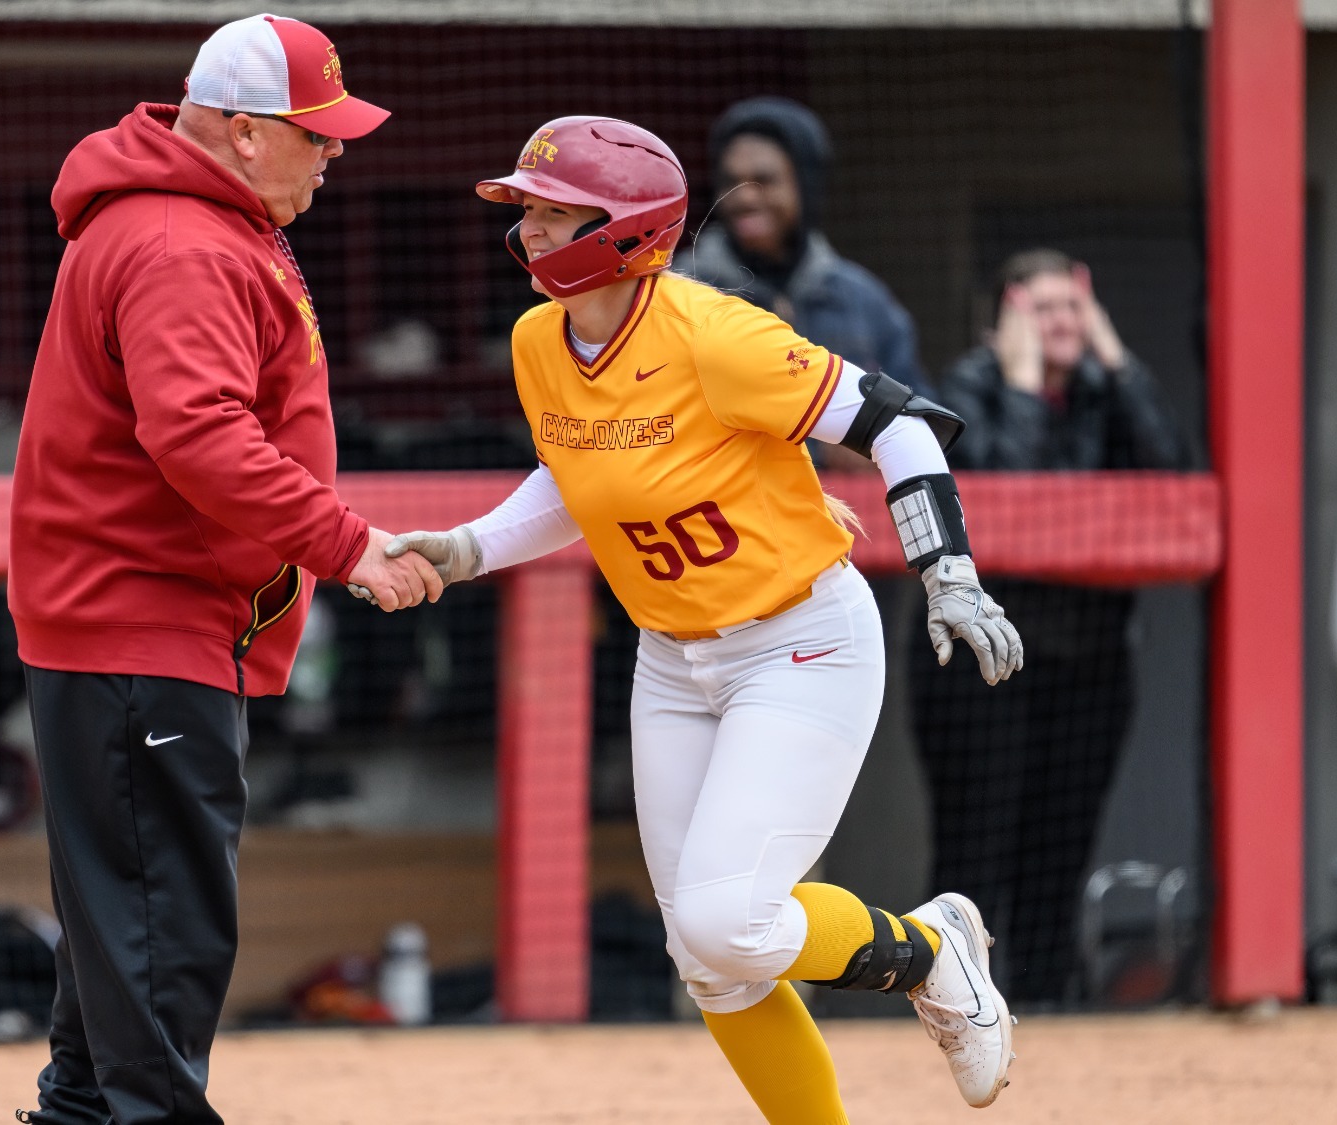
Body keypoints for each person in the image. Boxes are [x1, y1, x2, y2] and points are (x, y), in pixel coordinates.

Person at [371, 117, 1023, 1121]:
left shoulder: (715, 335)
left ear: (627, 230)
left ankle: (931, 948)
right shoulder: (538, 340)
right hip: (671, 659)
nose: (529, 228)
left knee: (727, 921)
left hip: (799, 642)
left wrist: (949, 574)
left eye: (554, 211)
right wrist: (465, 550)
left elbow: (899, 425)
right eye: (526, 208)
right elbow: (574, 474)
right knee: (710, 961)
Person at [7, 15, 440, 1125]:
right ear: (244, 132)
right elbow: (197, 435)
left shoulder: (191, 217)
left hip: (132, 629)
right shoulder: (182, 240)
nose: (333, 152)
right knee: (163, 942)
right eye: (316, 133)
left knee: (118, 953)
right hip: (143, 626)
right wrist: (347, 544)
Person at [911, 248, 1185, 1006]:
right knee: (976, 845)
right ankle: (956, 1002)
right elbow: (1004, 498)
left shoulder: (1106, 390)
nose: (1062, 321)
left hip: (1088, 662)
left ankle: (1044, 1005)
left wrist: (1116, 357)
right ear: (1002, 320)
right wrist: (1025, 383)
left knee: (1060, 849)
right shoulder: (968, 387)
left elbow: (1170, 466)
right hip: (980, 663)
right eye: (1042, 308)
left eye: (1074, 306)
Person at [681, 96, 928, 397]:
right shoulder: (679, 294)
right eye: (730, 181)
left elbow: (917, 412)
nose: (744, 198)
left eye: (764, 180)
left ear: (805, 184)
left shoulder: (864, 302)